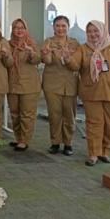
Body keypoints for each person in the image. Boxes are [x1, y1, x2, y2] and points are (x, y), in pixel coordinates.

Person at [64, 20, 110, 166]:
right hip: (91, 93)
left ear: (102, 31)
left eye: (96, 31)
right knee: (94, 124)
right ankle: (93, 154)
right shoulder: (83, 49)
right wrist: (68, 58)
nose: (93, 34)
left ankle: (105, 152)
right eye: (89, 31)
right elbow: (75, 66)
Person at [41, 15, 80, 156]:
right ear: (53, 27)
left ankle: (68, 143)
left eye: (63, 26)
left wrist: (68, 58)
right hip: (52, 84)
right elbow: (47, 61)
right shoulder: (48, 42)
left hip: (70, 84)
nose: (60, 29)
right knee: (54, 115)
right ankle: (55, 143)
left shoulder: (75, 44)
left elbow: (76, 66)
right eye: (58, 26)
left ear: (68, 28)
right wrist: (45, 54)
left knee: (69, 116)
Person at [7, 18, 41, 151]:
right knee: (15, 113)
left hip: (29, 85)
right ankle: (18, 138)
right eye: (16, 27)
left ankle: (25, 140)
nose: (19, 30)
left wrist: (31, 53)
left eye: (22, 28)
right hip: (13, 84)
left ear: (26, 29)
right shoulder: (8, 44)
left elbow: (38, 59)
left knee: (27, 114)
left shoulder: (31, 43)